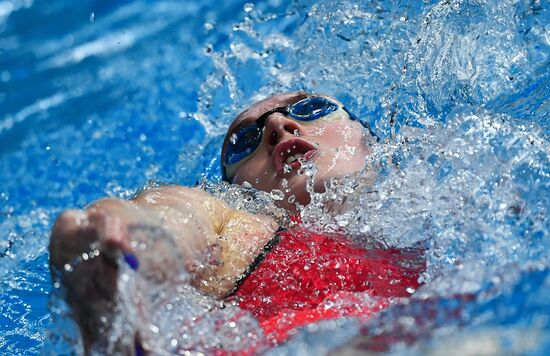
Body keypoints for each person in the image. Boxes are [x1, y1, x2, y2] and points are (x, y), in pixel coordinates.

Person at [49, 92, 423, 354]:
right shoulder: (242, 230)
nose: (278, 124)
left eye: (311, 108)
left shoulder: (438, 206)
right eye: (245, 140)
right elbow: (173, 216)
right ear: (237, 188)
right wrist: (127, 241)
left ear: (369, 137)